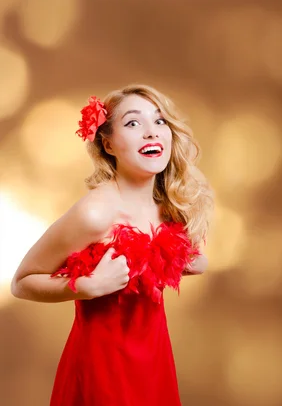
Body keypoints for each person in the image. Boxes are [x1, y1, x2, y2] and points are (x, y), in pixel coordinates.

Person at [10, 84, 214, 406]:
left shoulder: (169, 205)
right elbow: (21, 283)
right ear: (108, 143)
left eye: (159, 121)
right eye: (133, 123)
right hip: (102, 368)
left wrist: (179, 257)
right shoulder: (95, 213)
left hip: (154, 361)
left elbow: (188, 261)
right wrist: (86, 286)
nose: (151, 132)